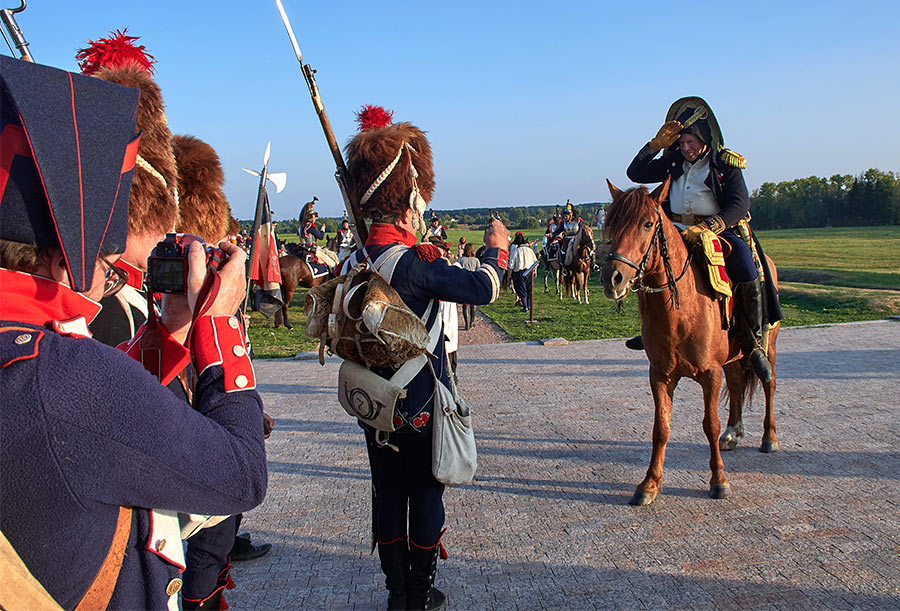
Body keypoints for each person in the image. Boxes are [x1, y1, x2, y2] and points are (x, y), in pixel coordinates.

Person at [0, 56, 267, 610]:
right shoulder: (64, 378)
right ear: (63, 260)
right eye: (105, 263)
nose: (108, 278)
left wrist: (166, 333)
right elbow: (241, 475)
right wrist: (218, 325)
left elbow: (105, 411)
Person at [340, 105, 509, 610]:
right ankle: (417, 594)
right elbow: (485, 288)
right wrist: (497, 249)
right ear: (410, 200)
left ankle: (397, 594)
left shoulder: (352, 260)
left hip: (373, 403)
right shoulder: (414, 263)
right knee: (426, 495)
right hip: (418, 405)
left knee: (387, 493)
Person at [625, 96, 779, 382]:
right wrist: (655, 146)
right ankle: (652, 332)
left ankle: (754, 341)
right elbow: (635, 173)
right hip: (675, 230)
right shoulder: (673, 162)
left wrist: (710, 226)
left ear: (705, 140)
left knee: (746, 267)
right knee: (647, 268)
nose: (686, 148)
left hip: (718, 230)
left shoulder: (725, 164)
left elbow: (740, 204)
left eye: (691, 142)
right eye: (682, 142)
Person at [509, 232, 539, 312]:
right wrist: (535, 271)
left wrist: (509, 275)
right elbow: (536, 262)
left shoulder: (516, 251)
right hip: (529, 272)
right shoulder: (530, 250)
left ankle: (525, 307)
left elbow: (511, 265)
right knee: (529, 289)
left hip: (519, 273)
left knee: (521, 290)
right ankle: (529, 306)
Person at [457, 243, 479, 329]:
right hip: (473, 283)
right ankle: (472, 321)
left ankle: (467, 324)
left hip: (464, 283)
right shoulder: (476, 260)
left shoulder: (460, 260)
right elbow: (478, 272)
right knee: (473, 304)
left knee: (465, 304)